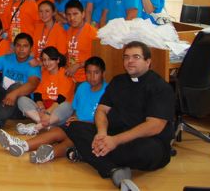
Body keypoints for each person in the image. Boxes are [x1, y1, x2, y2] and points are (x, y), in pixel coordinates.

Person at [64, 42, 175, 188]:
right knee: (74, 127)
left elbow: (155, 126)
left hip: (143, 141)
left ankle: (91, 156)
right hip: (113, 135)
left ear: (148, 61)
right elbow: (101, 110)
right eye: (126, 57)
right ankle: (112, 169)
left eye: (136, 57)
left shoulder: (160, 87)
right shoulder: (118, 81)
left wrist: (115, 141)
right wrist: (102, 134)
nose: (130, 61)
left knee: (146, 151)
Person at [0, 56, 107, 164]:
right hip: (76, 125)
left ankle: (49, 153)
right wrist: (73, 118)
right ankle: (22, 145)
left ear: (103, 73)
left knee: (72, 140)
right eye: (89, 72)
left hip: (93, 129)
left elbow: (109, 121)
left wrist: (82, 122)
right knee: (56, 132)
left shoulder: (108, 91)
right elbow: (75, 108)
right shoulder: (83, 87)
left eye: (96, 73)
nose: (92, 76)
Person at [0, 33, 41, 136]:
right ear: (14, 47)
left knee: (17, 85)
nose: (21, 49)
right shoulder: (5, 58)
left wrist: (15, 93)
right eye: (18, 45)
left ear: (31, 48)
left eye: (25, 46)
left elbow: (32, 85)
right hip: (3, 99)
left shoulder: (33, 64)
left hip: (18, 105)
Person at [15, 47, 75, 136]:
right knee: (21, 99)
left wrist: (47, 113)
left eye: (50, 59)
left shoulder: (65, 74)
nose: (47, 63)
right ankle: (47, 126)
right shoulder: (44, 73)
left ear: (58, 60)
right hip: (44, 110)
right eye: (44, 60)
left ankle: (36, 127)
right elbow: (37, 94)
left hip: (58, 112)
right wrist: (42, 109)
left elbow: (60, 99)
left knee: (67, 106)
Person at [65, 0, 98, 83]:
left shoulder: (93, 33)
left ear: (83, 14)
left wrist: (78, 65)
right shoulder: (67, 32)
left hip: (86, 78)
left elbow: (98, 58)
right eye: (69, 15)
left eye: (75, 14)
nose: (72, 18)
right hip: (69, 76)